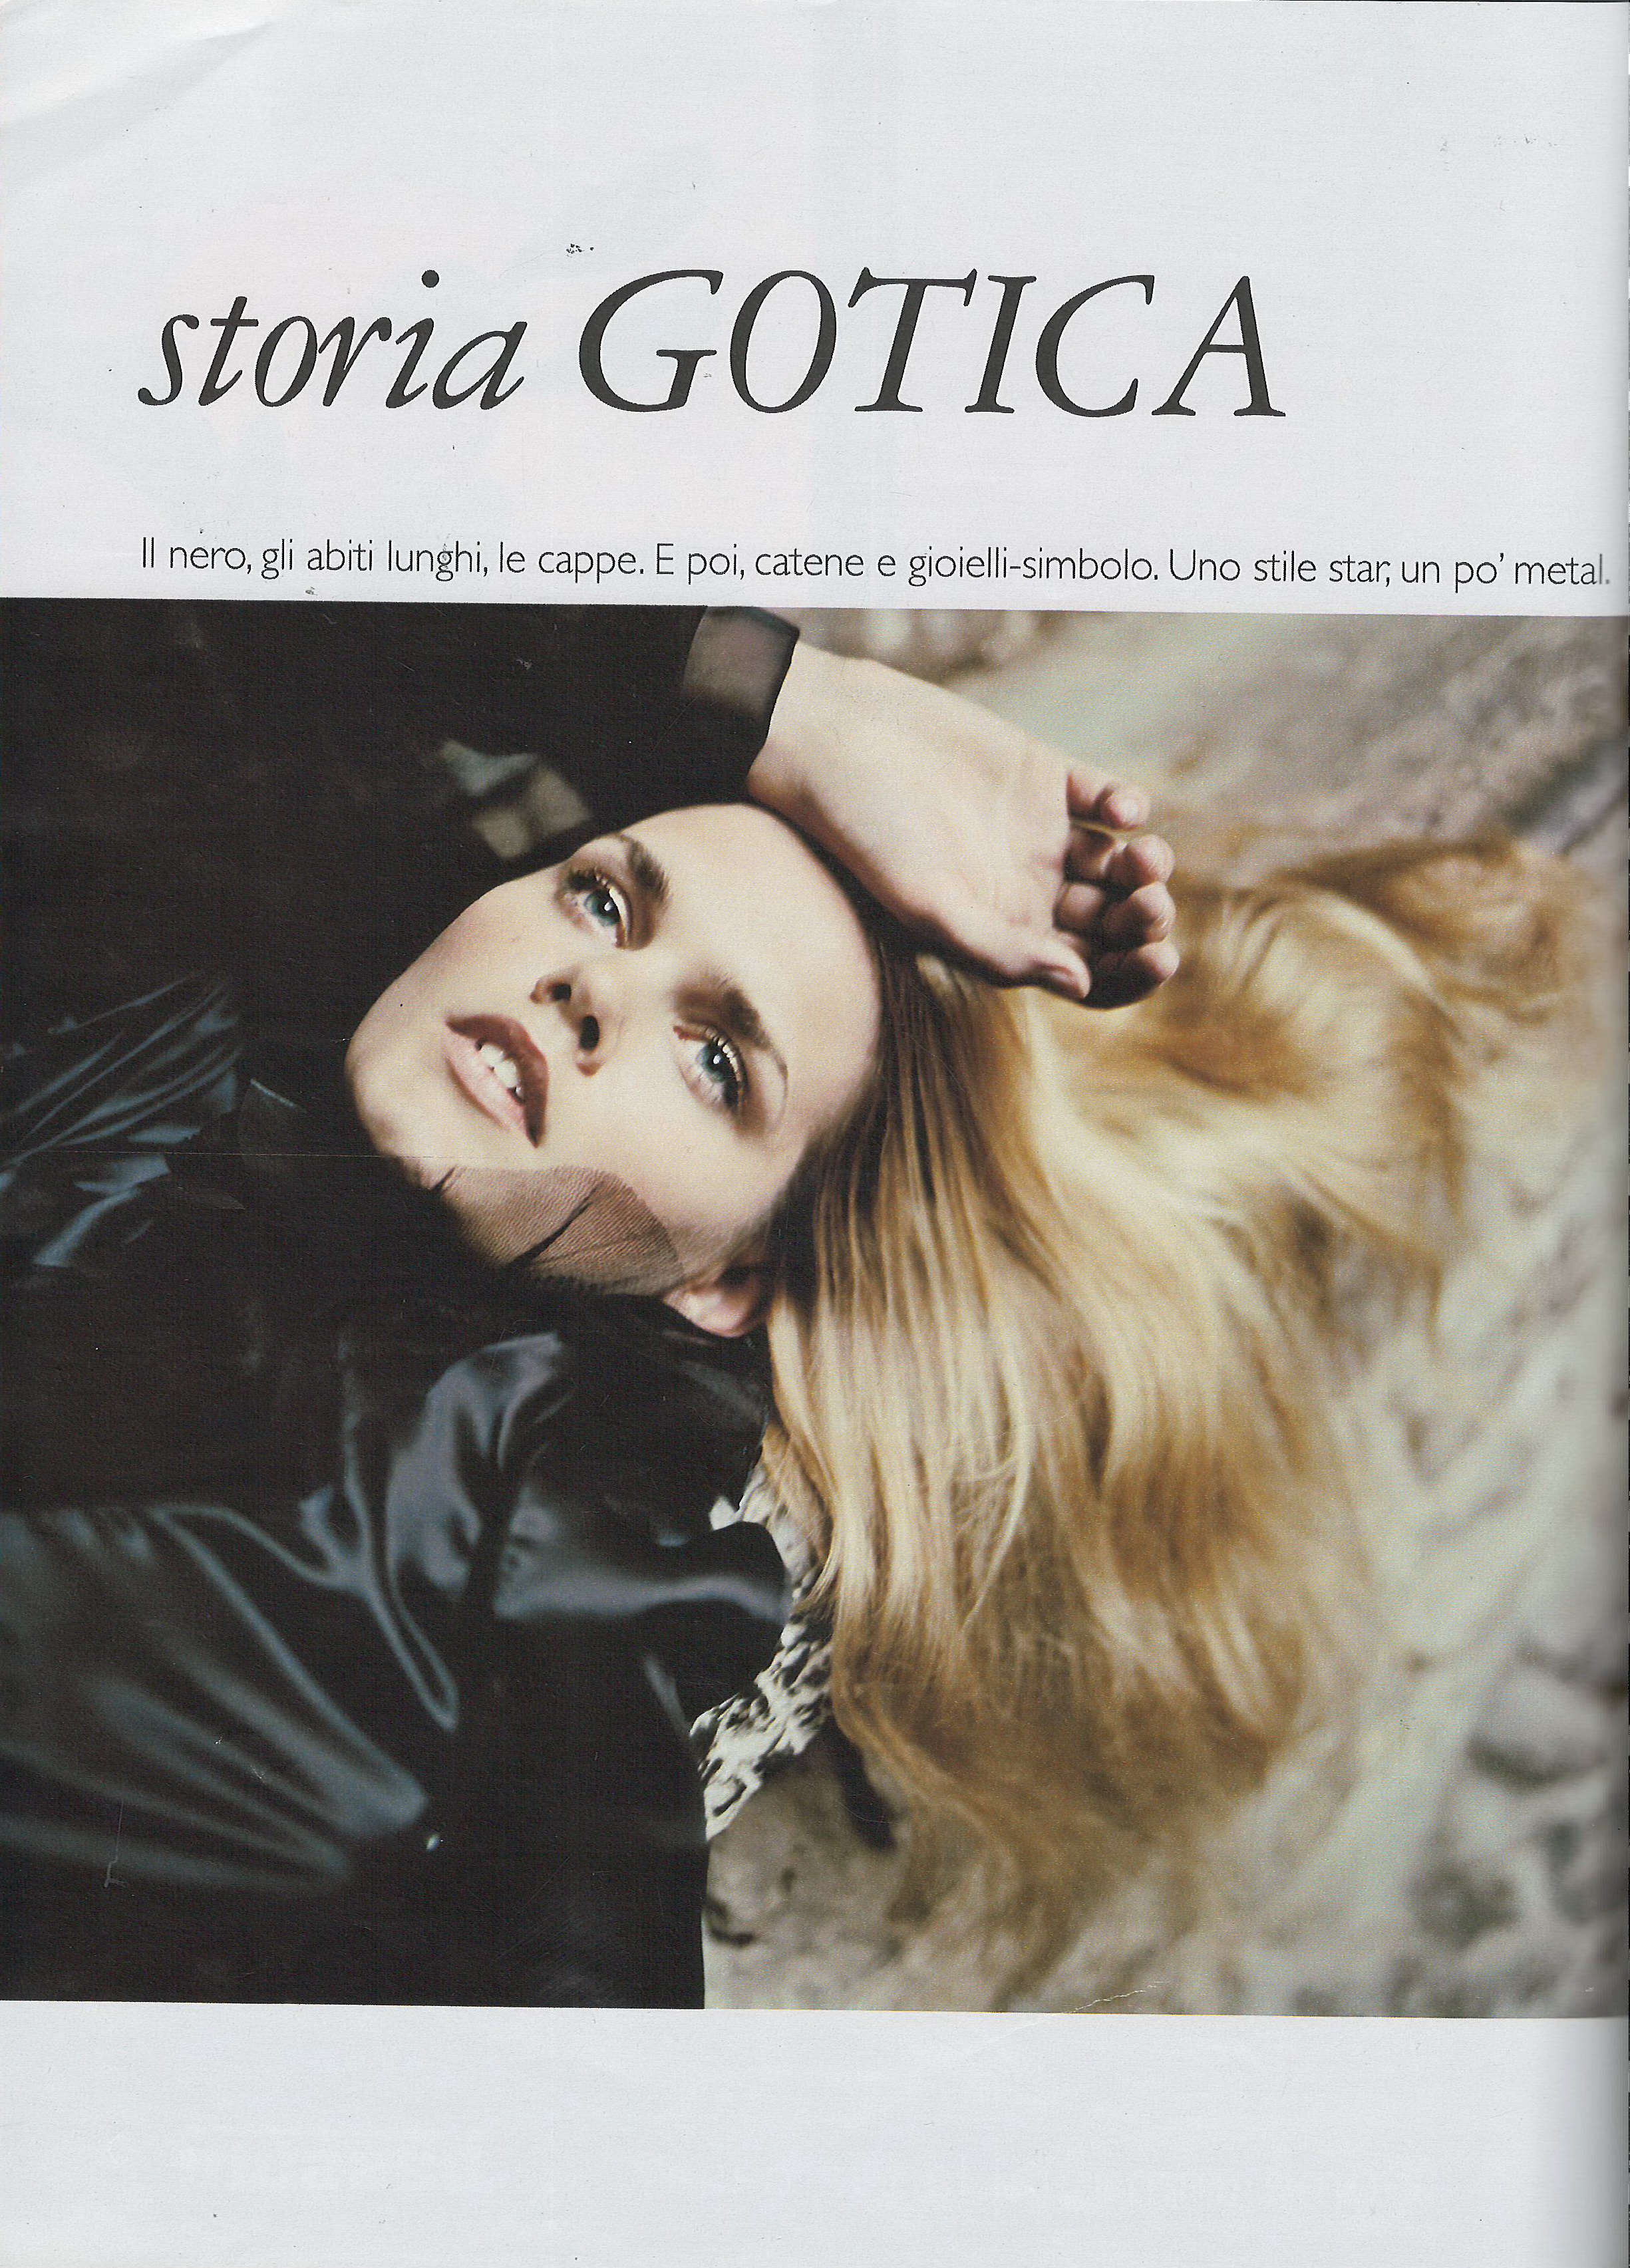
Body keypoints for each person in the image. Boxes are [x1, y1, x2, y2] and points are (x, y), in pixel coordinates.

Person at [0, 599, 1177, 2004]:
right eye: (604, 901)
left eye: (717, 1061)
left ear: (730, 1284)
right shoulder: (180, 992)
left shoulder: (519, 1563)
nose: (592, 987)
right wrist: (782, 703)